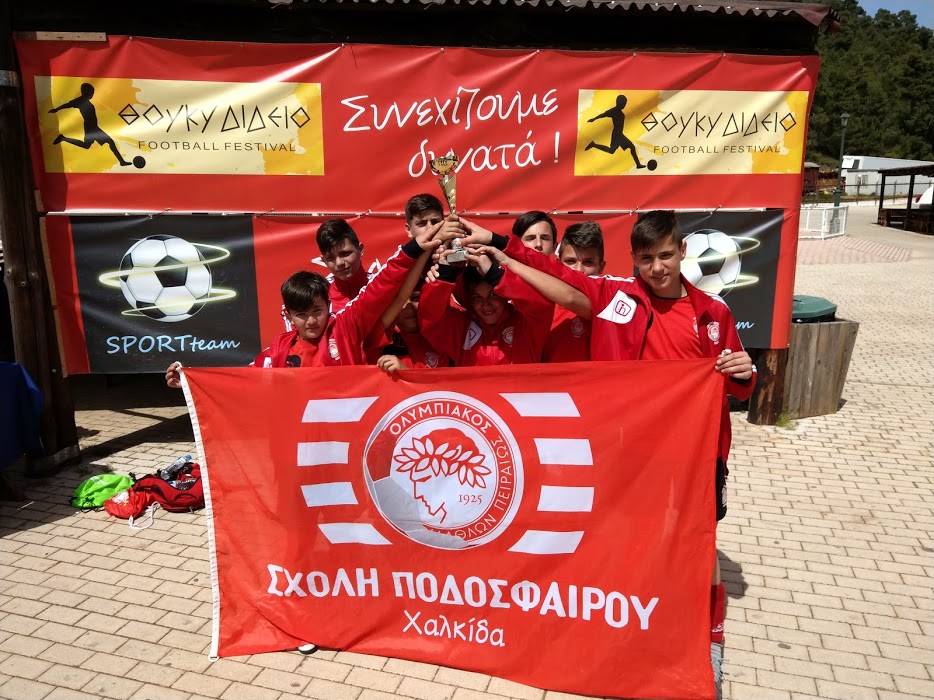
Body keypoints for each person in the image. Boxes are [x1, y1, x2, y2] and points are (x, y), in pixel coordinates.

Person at [456, 211, 755, 700]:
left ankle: (708, 640)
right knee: (623, 541)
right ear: (633, 258)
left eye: (666, 255)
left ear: (683, 251)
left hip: (694, 455)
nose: (657, 268)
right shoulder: (615, 299)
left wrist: (744, 372)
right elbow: (555, 272)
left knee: (697, 545)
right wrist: (496, 242)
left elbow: (738, 384)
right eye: (646, 258)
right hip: (625, 454)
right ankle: (627, 636)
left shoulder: (712, 312)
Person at [166, 221, 444, 386]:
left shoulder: (346, 324)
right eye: (301, 314)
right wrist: (191, 380)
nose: (311, 321)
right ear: (289, 315)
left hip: (371, 395)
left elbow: (390, 288)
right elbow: (245, 377)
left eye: (317, 312)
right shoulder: (283, 346)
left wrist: (418, 248)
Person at [416, 243, 554, 367]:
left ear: (504, 293)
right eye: (477, 297)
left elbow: (541, 306)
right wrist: (445, 274)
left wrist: (495, 274)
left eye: (493, 295)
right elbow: (430, 319)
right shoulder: (461, 328)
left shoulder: (525, 324)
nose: (486, 305)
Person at [543, 221, 606, 363]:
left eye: (588, 262)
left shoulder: (611, 307)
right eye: (570, 261)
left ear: (601, 266)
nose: (579, 270)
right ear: (558, 263)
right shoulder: (543, 306)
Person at [316, 218, 370, 314]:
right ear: (324, 261)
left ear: (360, 249)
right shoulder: (318, 294)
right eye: (330, 258)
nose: (339, 263)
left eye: (345, 254)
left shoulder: (380, 285)